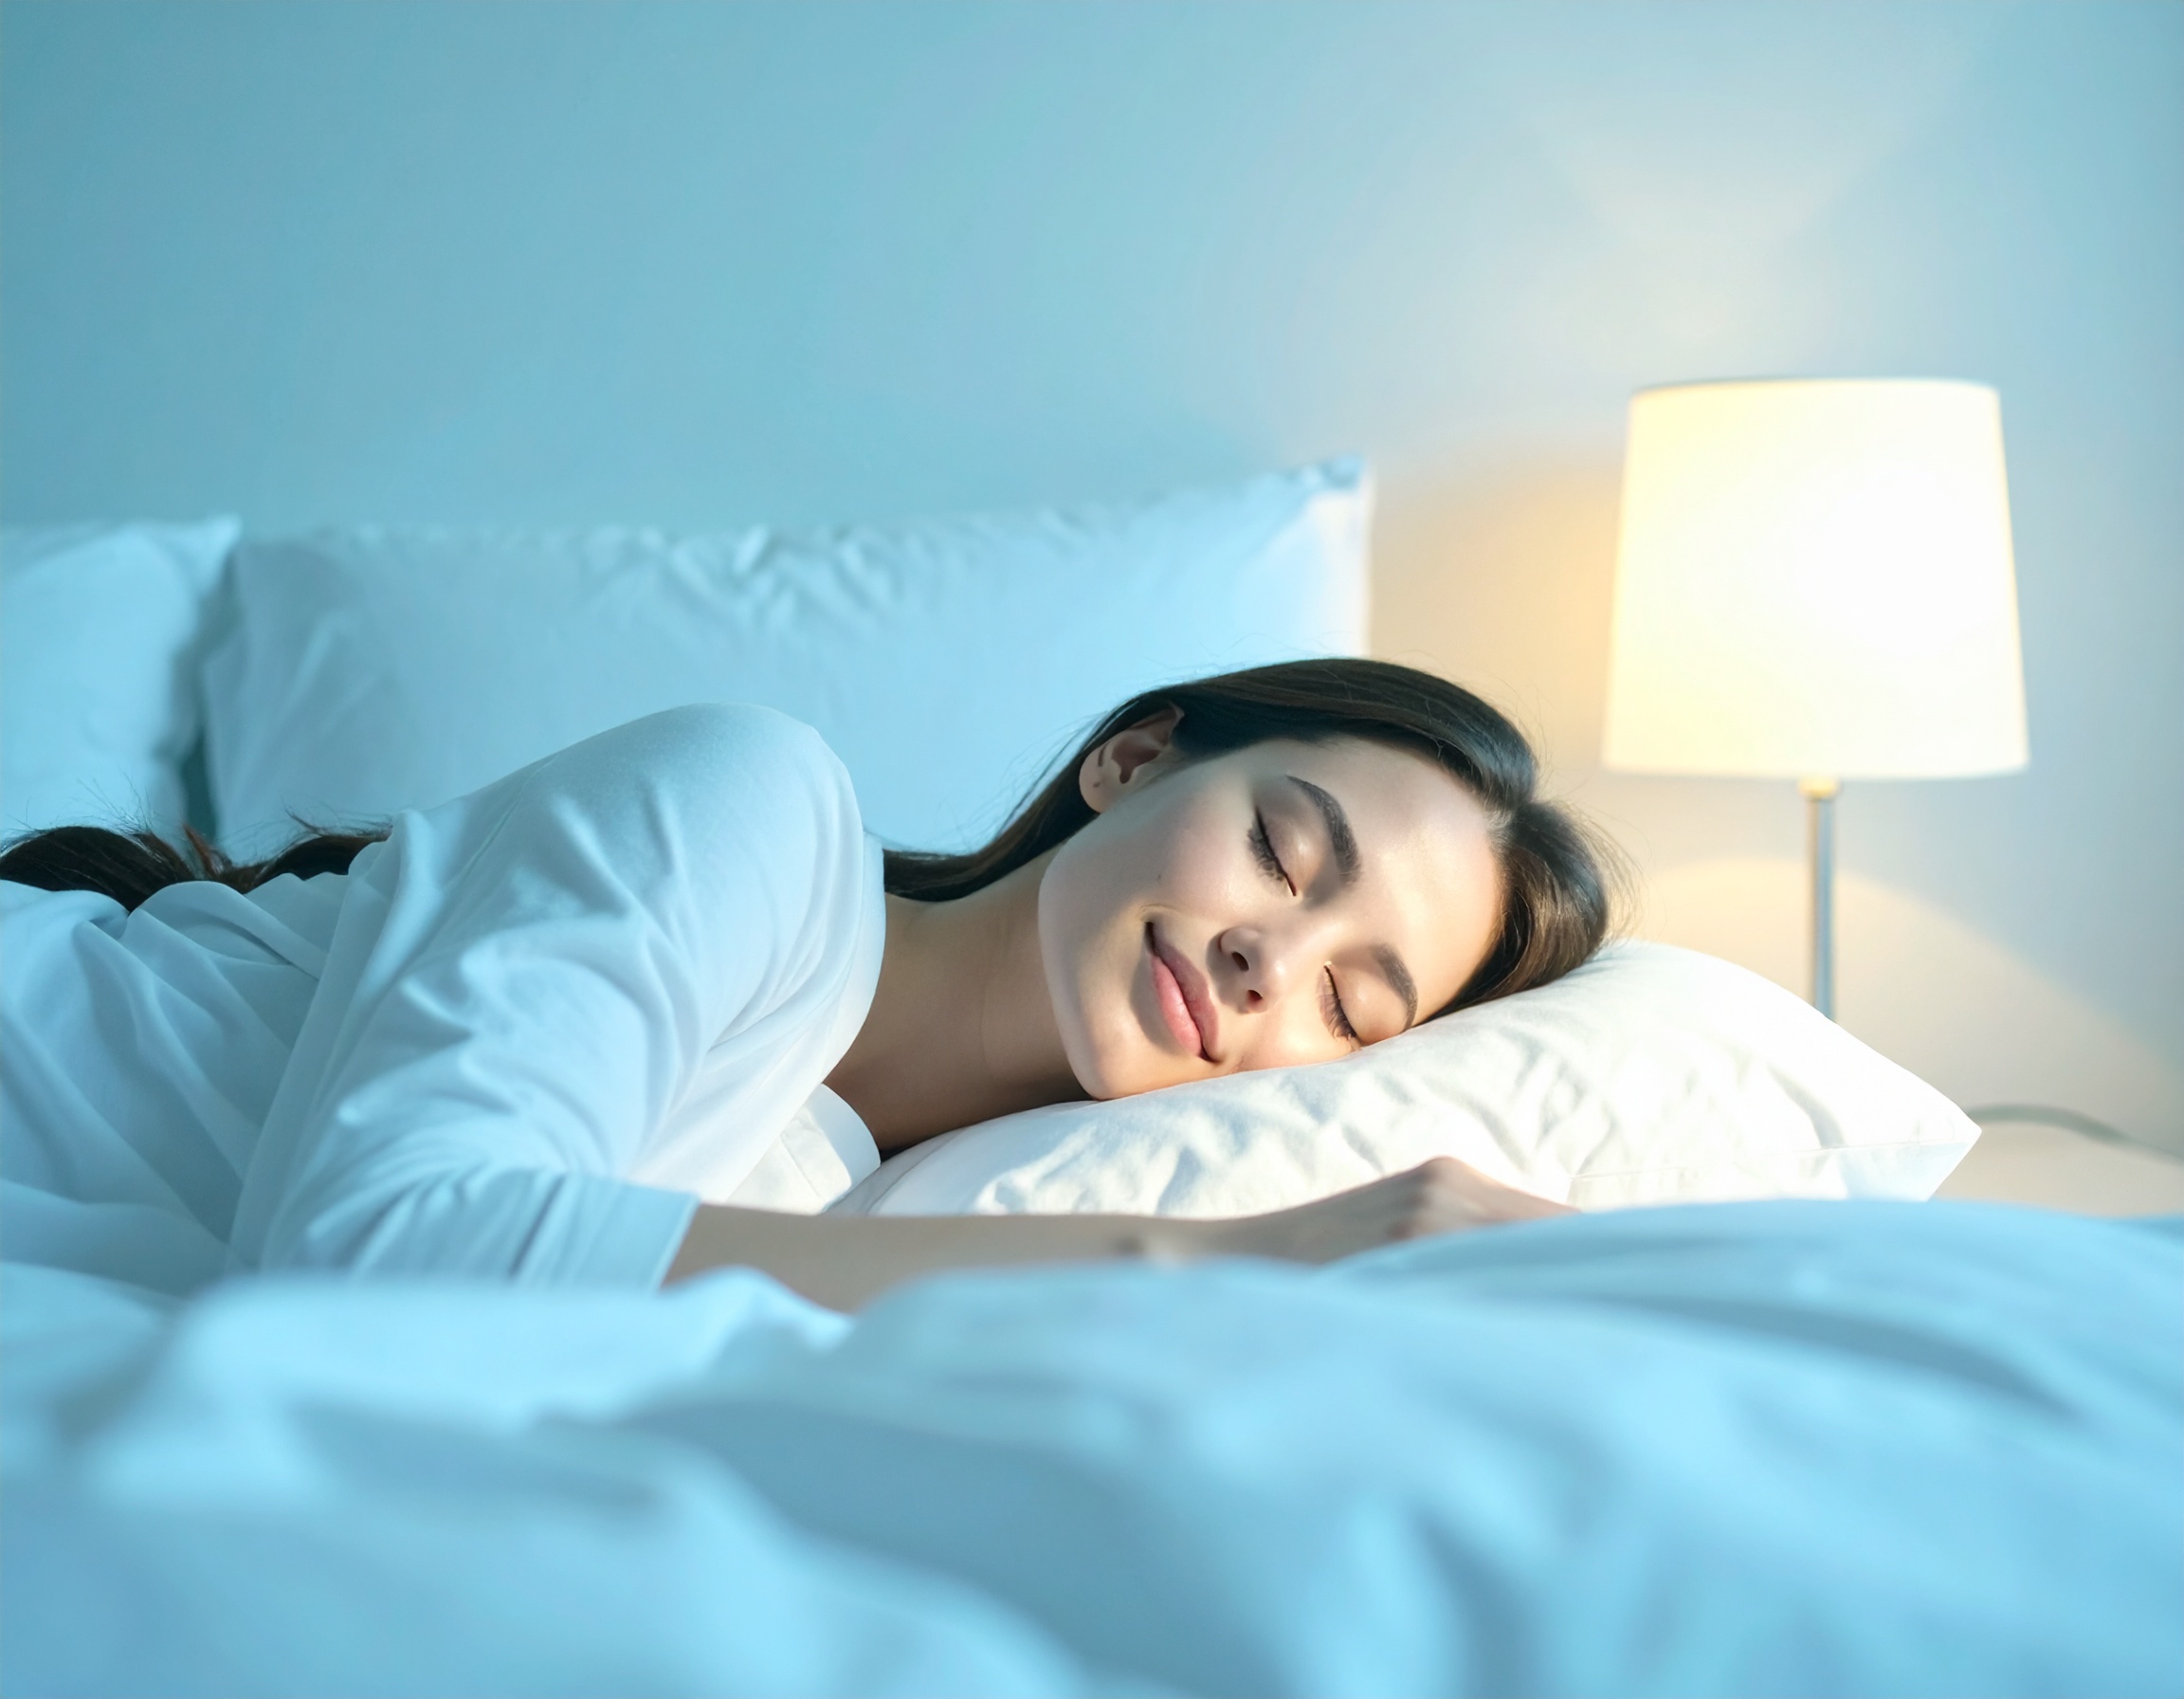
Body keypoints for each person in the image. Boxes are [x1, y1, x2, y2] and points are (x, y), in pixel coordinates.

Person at [0, 659, 1611, 1309]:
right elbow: (367, 1252)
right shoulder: (754, 803)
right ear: (1132, 759)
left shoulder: (854, 1185)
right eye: (1282, 848)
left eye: (1355, 1007)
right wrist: (1219, 1252)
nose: (1278, 960)